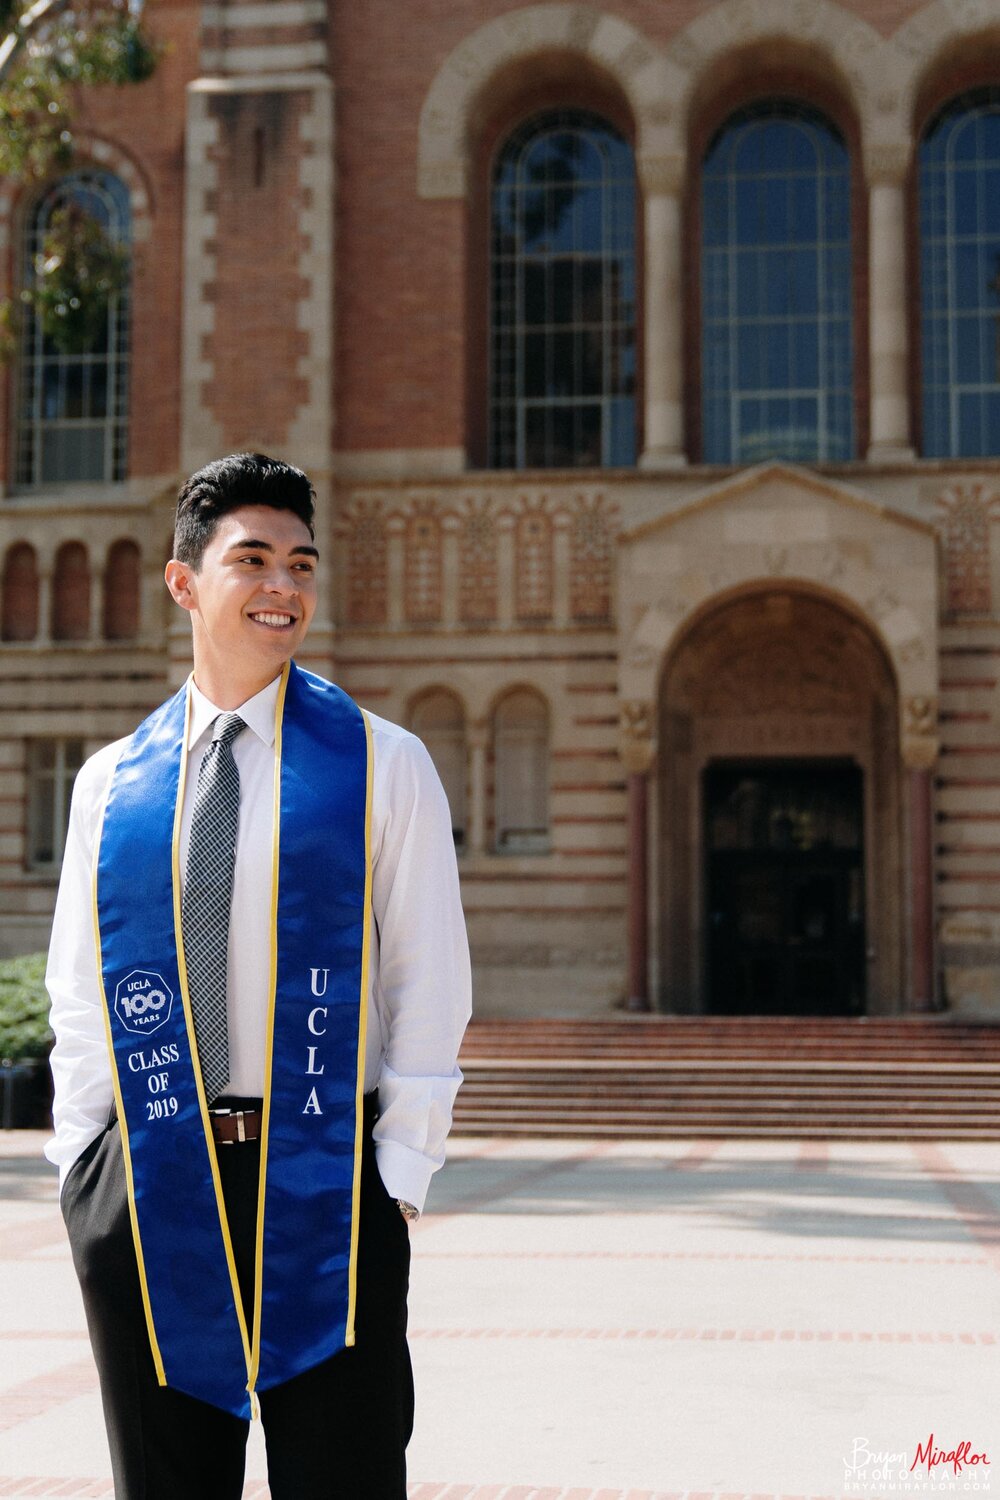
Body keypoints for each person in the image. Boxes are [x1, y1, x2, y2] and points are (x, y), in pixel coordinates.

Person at [44, 451, 472, 1500]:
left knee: (344, 1475)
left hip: (327, 1178)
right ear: (185, 582)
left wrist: (400, 1182)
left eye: (302, 563)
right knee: (168, 1480)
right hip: (152, 1180)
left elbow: (429, 977)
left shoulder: (382, 763)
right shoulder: (113, 785)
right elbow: (77, 991)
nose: (284, 586)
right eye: (255, 560)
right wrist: (84, 1174)